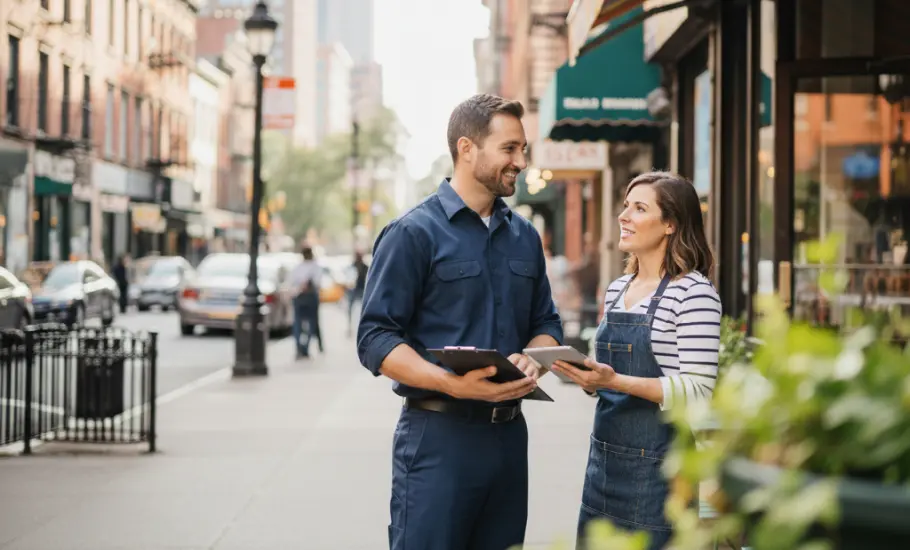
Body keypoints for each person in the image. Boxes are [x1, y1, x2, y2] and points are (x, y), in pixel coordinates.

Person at [357, 93, 563, 550]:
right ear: (466, 149)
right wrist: (452, 384)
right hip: (438, 439)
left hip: (510, 440)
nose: (520, 161)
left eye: (522, 149)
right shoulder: (412, 233)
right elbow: (374, 337)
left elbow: (546, 321)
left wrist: (535, 359)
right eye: (509, 148)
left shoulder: (525, 237)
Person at [551, 171, 720, 550]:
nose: (623, 216)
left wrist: (614, 381)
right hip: (603, 470)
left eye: (639, 208)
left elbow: (698, 389)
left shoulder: (694, 293)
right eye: (626, 206)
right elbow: (608, 377)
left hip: (663, 477)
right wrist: (590, 379)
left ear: (671, 224)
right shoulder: (616, 290)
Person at [289, 245, 322, 358]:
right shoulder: (315, 267)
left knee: (298, 322)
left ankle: (299, 347)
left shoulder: (298, 267)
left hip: (298, 297)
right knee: (311, 322)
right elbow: (318, 283)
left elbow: (292, 282)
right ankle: (305, 347)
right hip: (311, 297)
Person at [346, 252, 369, 336]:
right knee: (350, 310)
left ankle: (363, 327)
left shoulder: (365, 267)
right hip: (353, 290)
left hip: (361, 290)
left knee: (364, 310)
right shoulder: (352, 266)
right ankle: (350, 327)